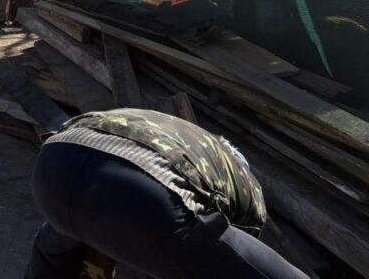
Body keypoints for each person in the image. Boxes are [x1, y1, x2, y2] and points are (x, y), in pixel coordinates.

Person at [26, 108, 309, 279]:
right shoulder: (247, 191)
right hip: (140, 189)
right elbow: (224, 261)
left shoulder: (185, 136)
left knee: (62, 246)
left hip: (55, 162)